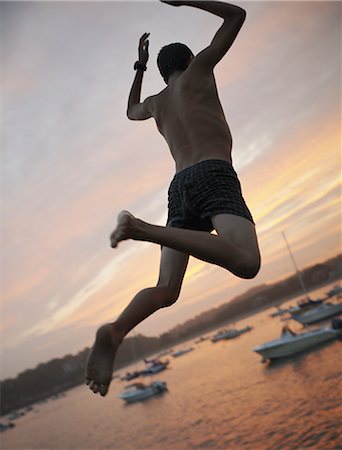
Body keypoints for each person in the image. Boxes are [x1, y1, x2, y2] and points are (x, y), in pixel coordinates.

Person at [86, 0, 261, 397]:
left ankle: (115, 331)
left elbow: (131, 110)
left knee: (166, 290)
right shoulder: (200, 69)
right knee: (247, 262)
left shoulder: (157, 102)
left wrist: (140, 66)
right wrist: (185, 1)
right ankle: (142, 229)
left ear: (163, 72)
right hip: (213, 173)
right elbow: (237, 15)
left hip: (179, 185)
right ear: (189, 58)